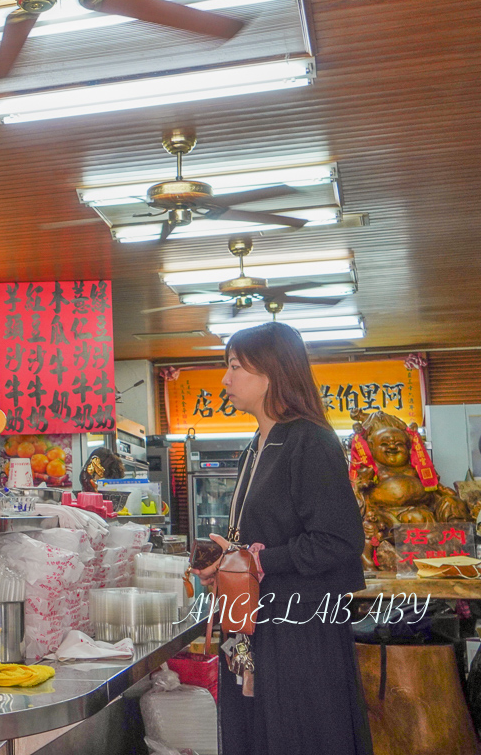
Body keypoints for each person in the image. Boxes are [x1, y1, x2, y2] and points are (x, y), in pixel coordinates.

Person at [193, 322, 372, 755]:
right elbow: (261, 535)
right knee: (253, 731)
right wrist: (226, 562)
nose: (225, 379)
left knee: (299, 736)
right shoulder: (257, 445)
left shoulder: (310, 441)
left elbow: (339, 540)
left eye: (235, 366)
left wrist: (260, 563)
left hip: (299, 631)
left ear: (271, 372)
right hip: (250, 625)